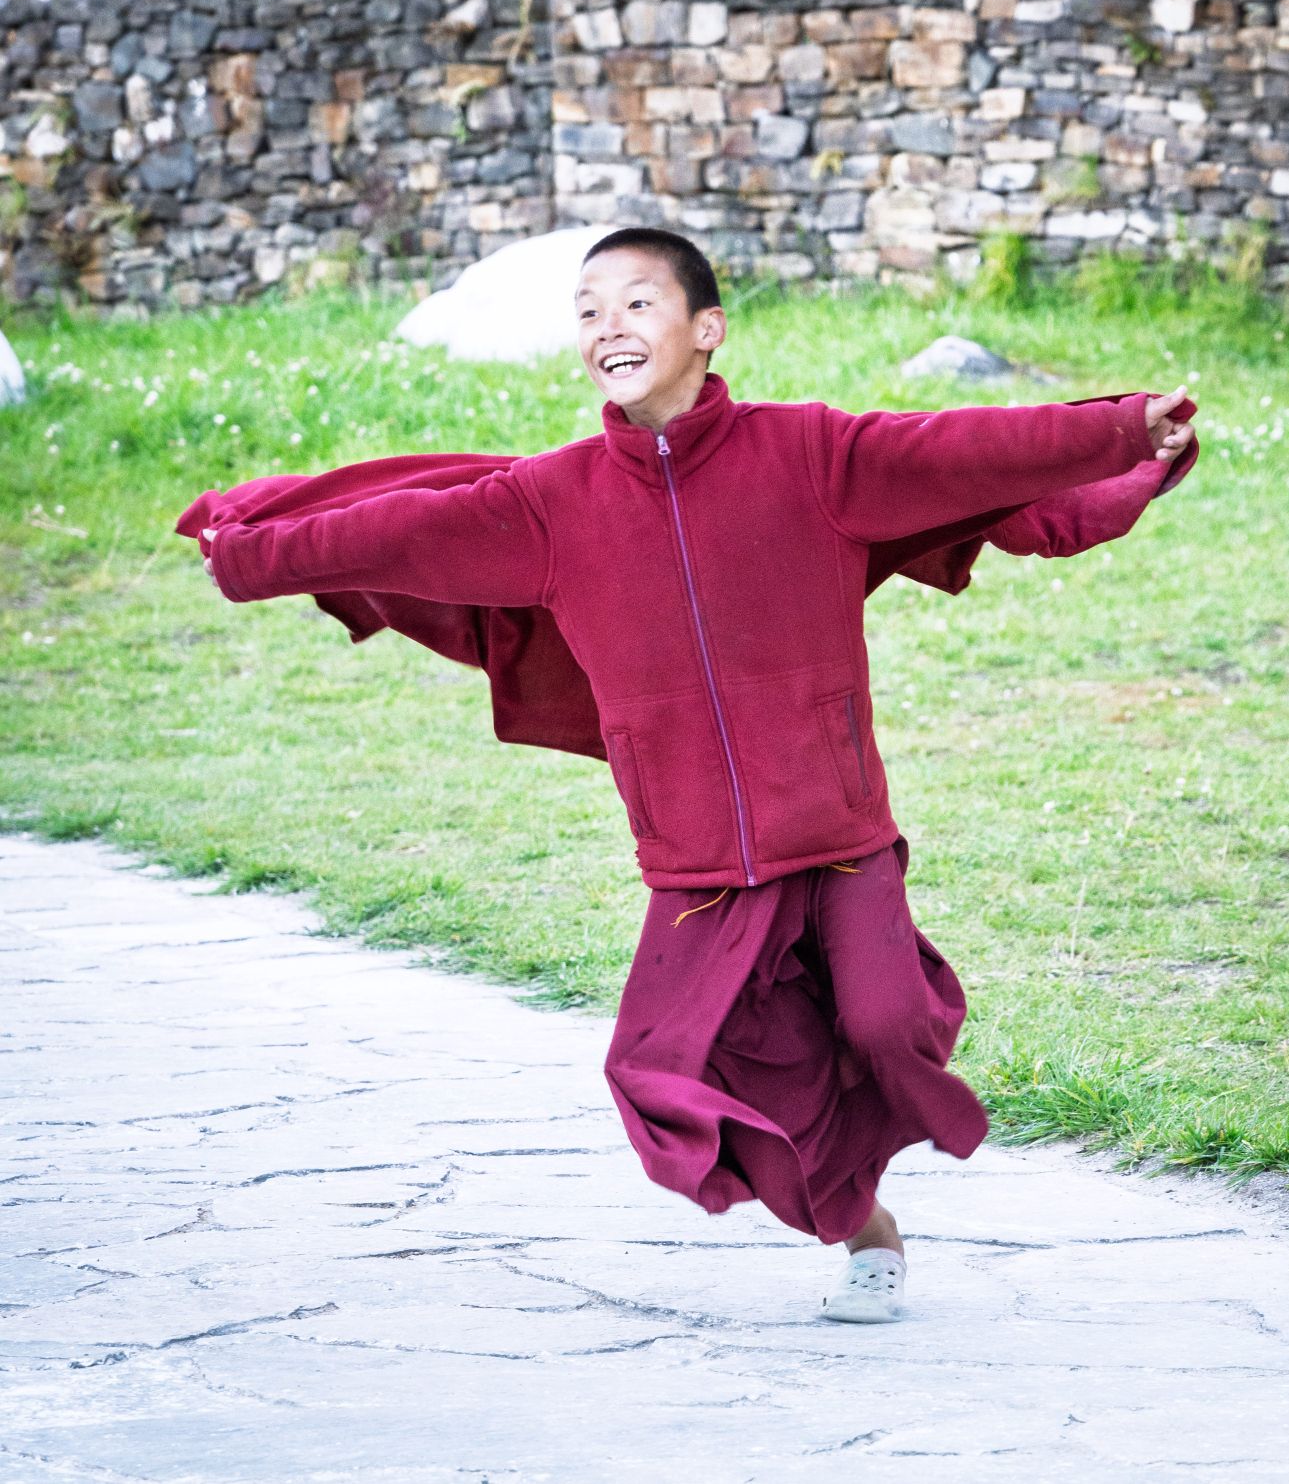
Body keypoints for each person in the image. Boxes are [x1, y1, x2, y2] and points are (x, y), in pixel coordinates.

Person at [189, 226, 1198, 1322]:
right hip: (700, 867)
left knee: (885, 1029)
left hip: (841, 836)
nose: (607, 329)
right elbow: (397, 532)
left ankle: (887, 1083)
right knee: (672, 1067)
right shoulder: (549, 504)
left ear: (706, 331)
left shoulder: (811, 456)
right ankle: (864, 1229)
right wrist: (251, 560)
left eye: (636, 304)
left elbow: (965, 449)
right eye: (586, 311)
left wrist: (1114, 429)